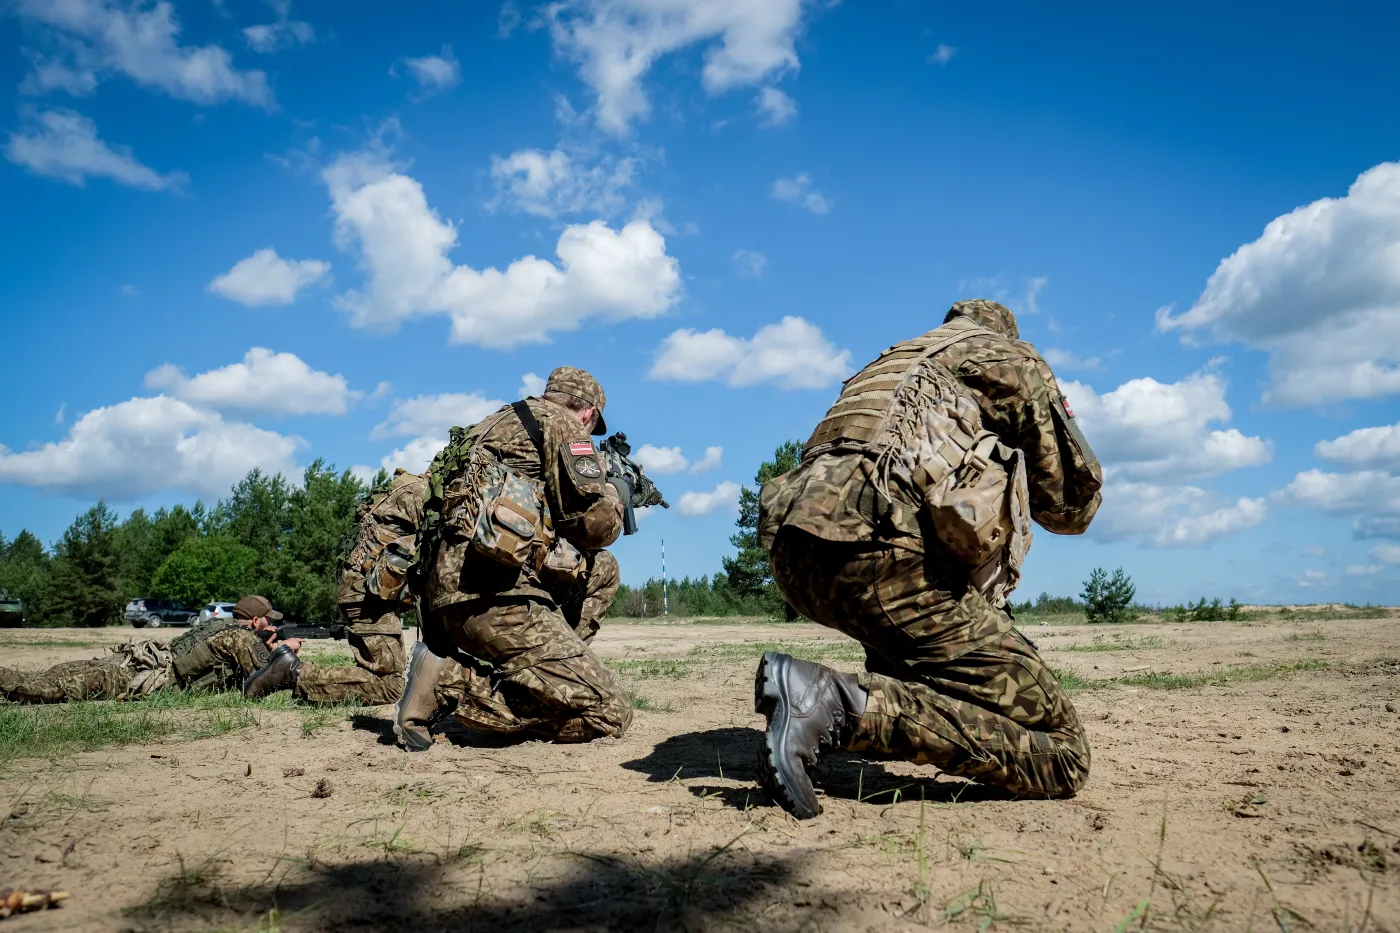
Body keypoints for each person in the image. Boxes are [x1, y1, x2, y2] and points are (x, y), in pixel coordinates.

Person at [753, 299, 1103, 819]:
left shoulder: (893, 362)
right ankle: (834, 704)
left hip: (795, 551)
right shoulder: (1007, 358)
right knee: (1064, 753)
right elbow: (1069, 507)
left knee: (937, 678)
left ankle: (864, 696)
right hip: (884, 558)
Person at [398, 366, 630, 749]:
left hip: (441, 599)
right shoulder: (563, 424)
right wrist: (614, 491)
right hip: (493, 594)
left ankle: (553, 673)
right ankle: (448, 681)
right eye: (592, 426)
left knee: (601, 568)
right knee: (609, 712)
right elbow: (595, 526)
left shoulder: (491, 426)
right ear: (588, 413)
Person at [243, 470, 427, 705]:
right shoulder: (422, 493)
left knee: (389, 679)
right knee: (390, 686)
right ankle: (291, 672)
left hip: (366, 590)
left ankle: (296, 674)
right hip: (368, 594)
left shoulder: (406, 486)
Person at [0, 595, 298, 704]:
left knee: (60, 673)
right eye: (268, 621)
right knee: (53, 689)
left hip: (135, 661)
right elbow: (262, 681)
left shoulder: (221, 627)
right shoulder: (241, 638)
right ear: (256, 621)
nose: (270, 625)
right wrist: (285, 650)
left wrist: (268, 645)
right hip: (139, 675)